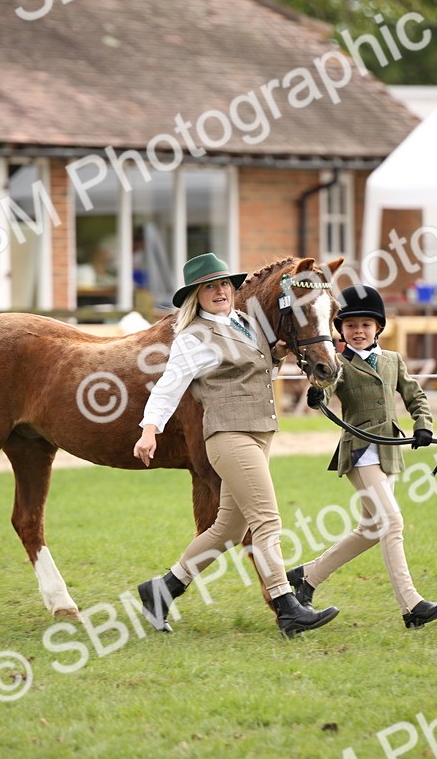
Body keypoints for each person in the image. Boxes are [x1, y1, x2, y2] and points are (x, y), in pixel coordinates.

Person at [133, 253, 340, 638]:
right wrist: (149, 429)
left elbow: (255, 367)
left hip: (257, 433)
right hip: (229, 437)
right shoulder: (193, 336)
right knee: (267, 520)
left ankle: (161, 590)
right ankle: (287, 605)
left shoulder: (244, 325)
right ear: (196, 296)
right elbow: (169, 385)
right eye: (209, 287)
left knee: (225, 530)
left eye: (224, 284)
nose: (220, 291)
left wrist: (278, 354)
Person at [292, 285, 437, 629]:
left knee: (370, 528)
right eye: (350, 326)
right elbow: (326, 383)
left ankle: (306, 578)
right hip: (360, 451)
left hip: (389, 451)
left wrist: (423, 424)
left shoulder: (393, 361)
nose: (358, 331)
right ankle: (412, 605)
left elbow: (415, 395)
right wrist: (317, 393)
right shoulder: (340, 364)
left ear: (379, 327)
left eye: (365, 324)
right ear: (341, 330)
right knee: (392, 522)